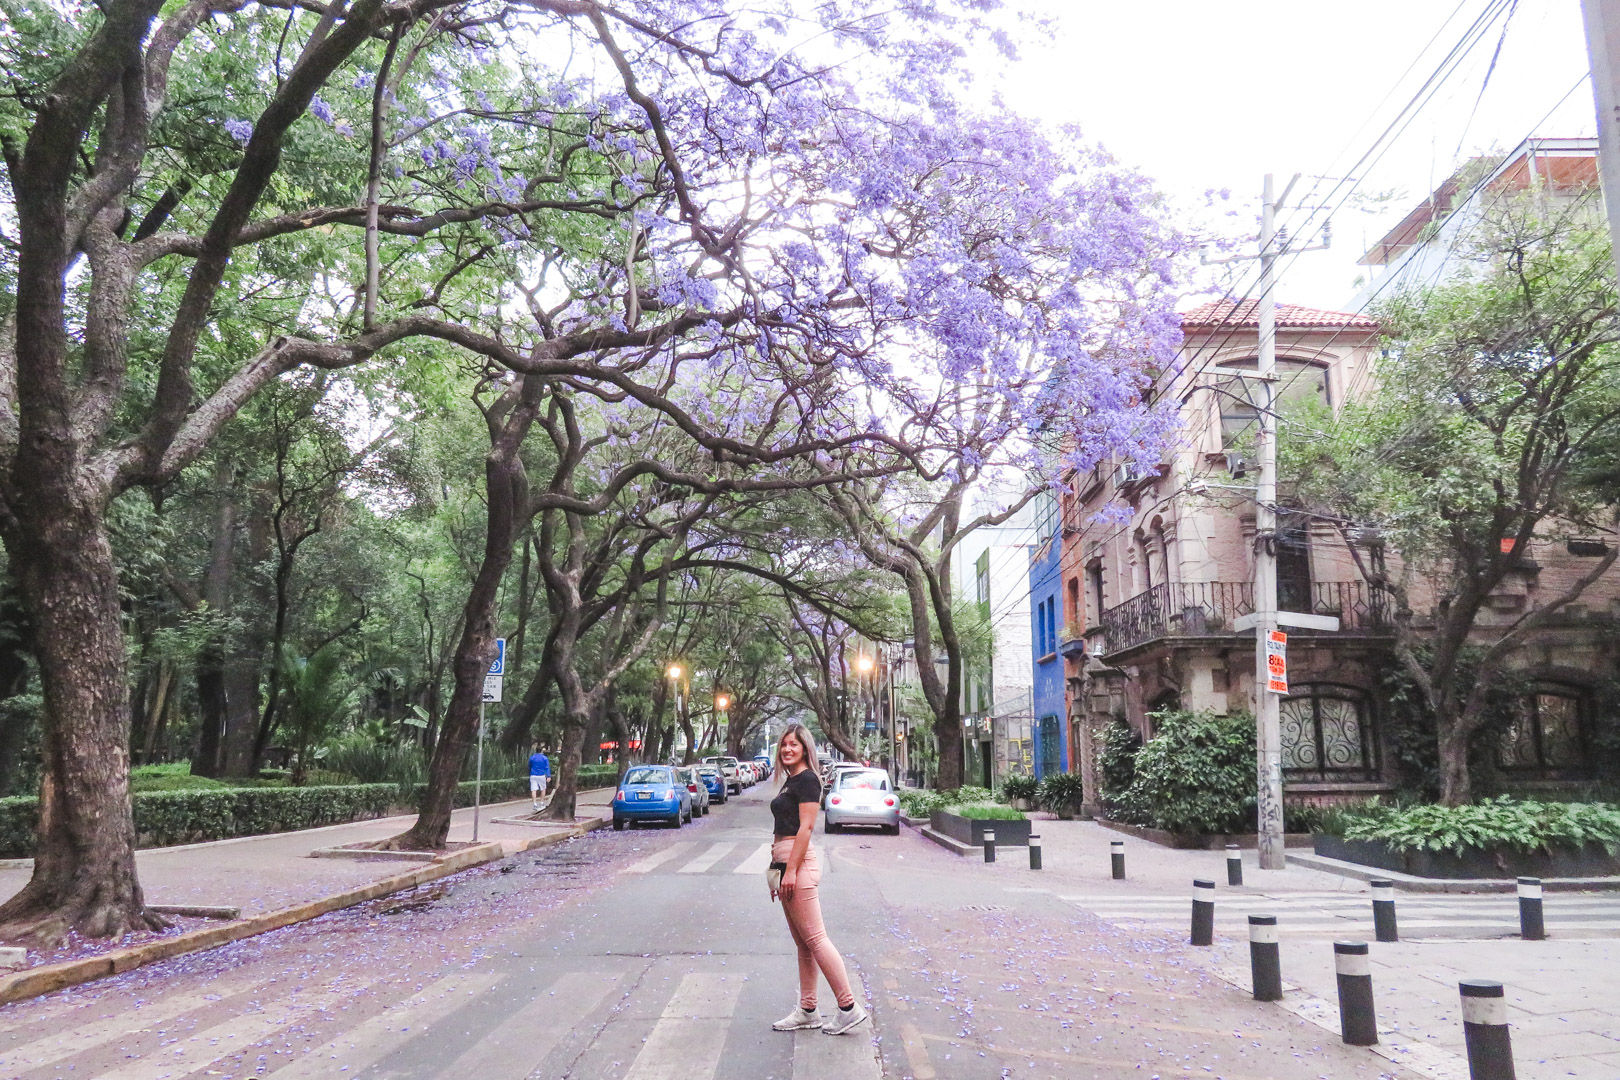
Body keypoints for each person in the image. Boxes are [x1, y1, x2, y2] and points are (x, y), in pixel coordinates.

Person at [767, 722, 868, 1035]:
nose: (787, 749)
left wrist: (792, 871)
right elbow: (783, 829)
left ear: (805, 748)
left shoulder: (807, 780)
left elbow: (806, 829)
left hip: (799, 864)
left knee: (816, 939)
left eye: (793, 745)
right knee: (803, 943)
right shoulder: (792, 780)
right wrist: (777, 872)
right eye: (784, 744)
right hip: (786, 862)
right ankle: (808, 1009)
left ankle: (848, 1006)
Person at [528, 745, 551, 811]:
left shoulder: (532, 757)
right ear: (541, 751)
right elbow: (547, 767)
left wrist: (530, 772)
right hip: (541, 775)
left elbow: (529, 766)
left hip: (533, 775)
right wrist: (548, 776)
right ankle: (541, 802)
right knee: (543, 789)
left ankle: (535, 804)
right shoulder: (544, 758)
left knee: (533, 790)